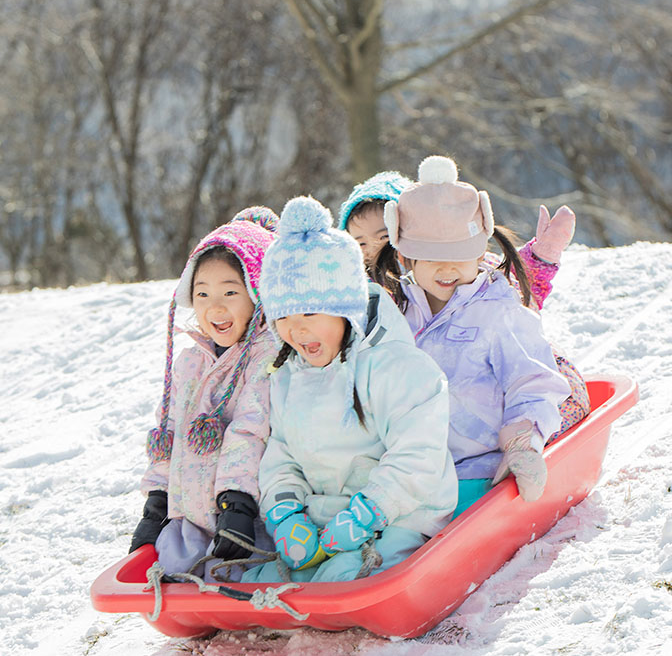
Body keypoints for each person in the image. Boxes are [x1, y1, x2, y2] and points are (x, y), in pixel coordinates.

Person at [242, 196, 458, 583]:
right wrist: (285, 512)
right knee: (264, 581)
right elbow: (282, 452)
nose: (297, 329)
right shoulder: (289, 373)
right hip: (326, 521)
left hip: (402, 514)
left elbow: (417, 453)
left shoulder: (396, 366)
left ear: (345, 308)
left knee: (340, 579)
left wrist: (369, 512)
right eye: (284, 316)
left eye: (309, 312)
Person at [372, 155, 581, 517]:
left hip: (477, 470)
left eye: (460, 255)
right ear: (407, 257)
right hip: (405, 471)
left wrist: (521, 444)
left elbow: (531, 380)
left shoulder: (498, 311)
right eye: (433, 257)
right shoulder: (393, 316)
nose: (448, 268)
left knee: (432, 535)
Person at [129, 217, 277, 579]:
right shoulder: (189, 363)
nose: (215, 307)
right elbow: (170, 434)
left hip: (248, 523)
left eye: (230, 292)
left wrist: (237, 505)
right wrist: (155, 507)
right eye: (202, 294)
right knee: (172, 578)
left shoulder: (267, 356)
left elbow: (250, 429)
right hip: (189, 524)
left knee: (241, 575)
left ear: (257, 293)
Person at [338, 170, 575, 309]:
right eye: (360, 243)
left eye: (384, 237)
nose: (372, 250)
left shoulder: (460, 261)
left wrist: (540, 257)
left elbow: (517, 287)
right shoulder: (357, 291)